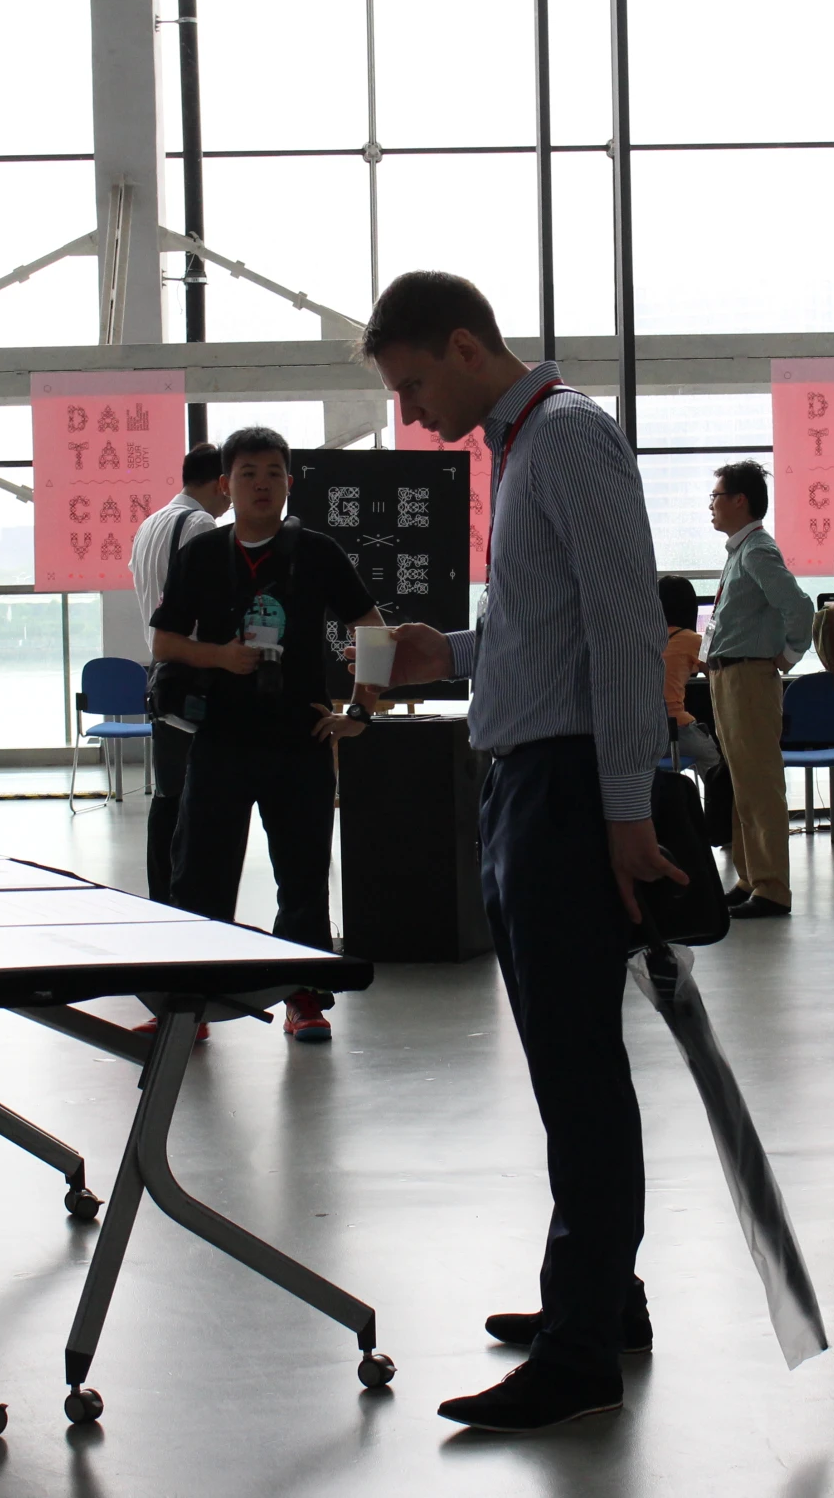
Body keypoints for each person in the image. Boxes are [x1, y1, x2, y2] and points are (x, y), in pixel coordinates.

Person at [362, 270, 681, 1432]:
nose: (412, 414)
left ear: (462, 343)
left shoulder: (569, 440)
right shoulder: (523, 449)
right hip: (524, 784)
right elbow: (532, 631)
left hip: (564, 789)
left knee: (578, 1067)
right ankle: (603, 1295)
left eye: (413, 385)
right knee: (563, 1062)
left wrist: (625, 809)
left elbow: (623, 624)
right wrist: (436, 651)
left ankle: (583, 1344)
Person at [149, 426, 384, 1042]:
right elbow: (165, 641)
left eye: (274, 472)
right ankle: (189, 1002)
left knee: (303, 875)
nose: (262, 484)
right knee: (198, 874)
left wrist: (360, 713)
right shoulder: (202, 554)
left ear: (289, 481)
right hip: (221, 742)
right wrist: (220, 658)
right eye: (248, 473)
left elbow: (372, 625)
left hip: (300, 743)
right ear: (226, 485)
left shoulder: (318, 552)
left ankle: (303, 998)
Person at [703, 459, 814, 919]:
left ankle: (772, 887)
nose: (711, 505)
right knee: (743, 779)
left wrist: (788, 657)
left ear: (739, 500)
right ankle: (751, 876)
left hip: (748, 677)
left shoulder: (757, 551)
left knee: (760, 782)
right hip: (729, 676)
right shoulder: (740, 551)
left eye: (716, 496)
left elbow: (799, 607)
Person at [130, 442, 228, 903]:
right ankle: (186, 898)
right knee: (195, 796)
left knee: (167, 794)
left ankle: (160, 897)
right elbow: (205, 603)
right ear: (218, 482)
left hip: (162, 670)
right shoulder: (200, 524)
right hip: (192, 668)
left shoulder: (150, 524)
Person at [657, 576, 722, 777]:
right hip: (677, 731)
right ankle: (716, 805)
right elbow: (715, 676)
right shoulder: (694, 640)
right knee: (714, 762)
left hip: (645, 733)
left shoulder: (643, 636)